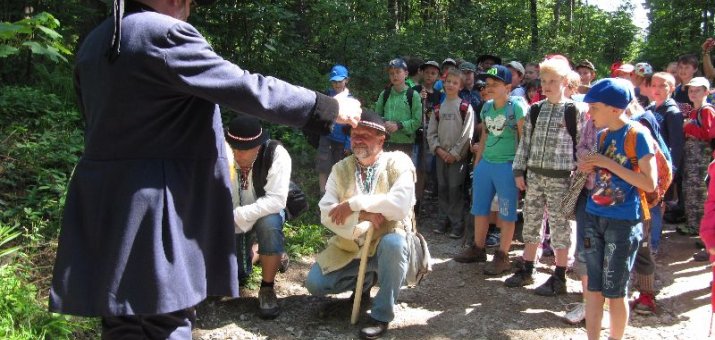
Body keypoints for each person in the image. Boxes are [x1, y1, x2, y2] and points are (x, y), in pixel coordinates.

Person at [48, 0, 361, 338]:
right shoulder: (164, 33)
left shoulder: (96, 40)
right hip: (156, 204)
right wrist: (327, 107)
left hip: (104, 203)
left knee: (122, 320)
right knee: (166, 319)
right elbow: (247, 88)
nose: (190, 10)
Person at [305, 110, 415, 340]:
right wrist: (362, 216)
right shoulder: (341, 168)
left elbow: (400, 205)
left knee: (394, 243)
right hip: (350, 247)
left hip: (388, 248)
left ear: (381, 139)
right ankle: (364, 285)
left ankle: (382, 314)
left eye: (365, 135)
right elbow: (326, 211)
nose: (358, 140)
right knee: (315, 283)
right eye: (355, 135)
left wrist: (355, 203)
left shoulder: (398, 162)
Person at [579, 78, 657, 340]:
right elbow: (599, 173)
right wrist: (588, 167)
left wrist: (606, 163)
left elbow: (649, 182)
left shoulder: (638, 135)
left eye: (595, 107)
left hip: (623, 222)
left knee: (615, 289)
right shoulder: (602, 135)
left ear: (614, 108)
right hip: (594, 216)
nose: (589, 113)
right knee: (593, 285)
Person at [508, 57, 586, 295]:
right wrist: (519, 170)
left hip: (562, 179)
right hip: (534, 177)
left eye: (553, 80)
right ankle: (527, 267)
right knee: (531, 222)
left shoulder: (576, 111)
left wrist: (579, 178)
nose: (547, 85)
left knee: (560, 226)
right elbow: (525, 143)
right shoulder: (535, 109)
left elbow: (583, 146)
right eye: (543, 80)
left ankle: (559, 275)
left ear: (564, 81)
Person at [454, 65, 526, 276]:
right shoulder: (486, 108)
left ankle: (503, 255)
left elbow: (524, 140)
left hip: (507, 166)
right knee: (480, 208)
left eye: (496, 84)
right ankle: (478, 248)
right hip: (486, 164)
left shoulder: (517, 108)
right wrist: (478, 162)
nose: (490, 88)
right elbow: (484, 137)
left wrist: (520, 169)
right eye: (488, 84)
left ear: (508, 87)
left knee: (507, 211)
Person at [225, 116, 291, 319]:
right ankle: (265, 253)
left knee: (270, 223)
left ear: (258, 146)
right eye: (233, 147)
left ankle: (267, 289)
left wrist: (234, 216)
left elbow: (276, 201)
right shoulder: (224, 154)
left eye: (242, 149)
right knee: (238, 275)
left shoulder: (276, 154)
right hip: (233, 218)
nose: (236, 154)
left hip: (263, 213)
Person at [427, 69, 475, 238]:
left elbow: (467, 134)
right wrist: (439, 150)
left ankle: (457, 224)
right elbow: (431, 133)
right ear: (444, 83)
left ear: (461, 86)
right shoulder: (438, 108)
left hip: (457, 158)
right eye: (448, 81)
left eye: (455, 83)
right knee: (442, 188)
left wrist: (455, 153)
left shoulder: (465, 107)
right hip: (441, 156)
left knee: (455, 189)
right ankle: (442, 221)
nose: (450, 85)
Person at [647, 72, 685, 225]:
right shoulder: (650, 108)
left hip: (664, 166)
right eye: (654, 85)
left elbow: (677, 144)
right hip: (649, 163)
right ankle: (648, 238)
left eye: (663, 85)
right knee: (649, 201)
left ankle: (654, 244)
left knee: (658, 203)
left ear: (672, 88)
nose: (657, 89)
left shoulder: (673, 112)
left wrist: (672, 169)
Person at [682, 78, 715, 240]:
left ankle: (700, 229)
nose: (693, 93)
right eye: (690, 91)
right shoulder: (693, 111)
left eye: (697, 90)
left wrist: (688, 126)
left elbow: (709, 133)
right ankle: (693, 225)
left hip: (702, 159)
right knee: (690, 190)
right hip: (692, 158)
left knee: (700, 192)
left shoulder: (706, 110)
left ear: (706, 92)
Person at [375, 58, 423, 157]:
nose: (394, 76)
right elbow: (377, 116)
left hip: (406, 143)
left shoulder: (413, 95)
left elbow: (417, 121)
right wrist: (384, 122)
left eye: (398, 72)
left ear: (406, 73)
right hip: (386, 141)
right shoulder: (385, 94)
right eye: (391, 73)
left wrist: (399, 125)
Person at [317, 64, 352, 194]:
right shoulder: (326, 97)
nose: (337, 84)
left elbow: (351, 124)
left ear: (346, 80)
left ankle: (337, 194)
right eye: (334, 81)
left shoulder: (350, 100)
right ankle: (322, 193)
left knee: (340, 168)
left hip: (342, 140)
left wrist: (348, 144)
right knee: (323, 166)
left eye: (340, 81)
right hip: (326, 136)